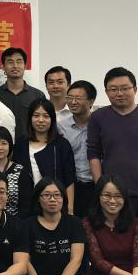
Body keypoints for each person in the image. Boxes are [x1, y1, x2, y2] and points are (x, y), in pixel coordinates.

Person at [87, 67, 138, 224]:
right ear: (106, 92)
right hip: (111, 197)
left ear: (135, 89)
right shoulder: (97, 118)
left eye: (125, 88)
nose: (119, 93)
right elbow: (93, 155)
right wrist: (101, 189)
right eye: (113, 89)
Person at [13, 98, 76, 212]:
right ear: (30, 118)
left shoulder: (62, 144)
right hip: (26, 205)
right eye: (36, 116)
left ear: (52, 119)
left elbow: (69, 179)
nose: (41, 120)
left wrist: (70, 208)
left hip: (54, 204)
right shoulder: (21, 144)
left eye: (46, 116)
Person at [60, 80, 98, 221]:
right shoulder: (61, 127)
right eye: (70, 98)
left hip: (96, 185)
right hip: (71, 186)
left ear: (91, 101)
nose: (73, 102)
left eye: (78, 98)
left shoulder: (100, 125)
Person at [0, 47, 45, 140]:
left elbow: (43, 122)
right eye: (10, 62)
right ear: (3, 67)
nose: (15, 66)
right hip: (1, 145)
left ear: (25, 66)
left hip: (30, 145)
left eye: (19, 62)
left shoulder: (37, 95)